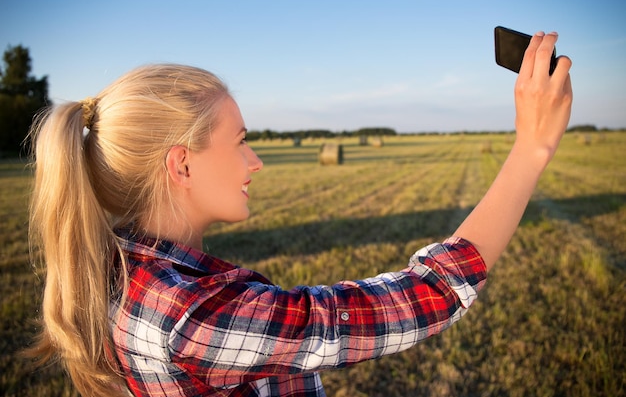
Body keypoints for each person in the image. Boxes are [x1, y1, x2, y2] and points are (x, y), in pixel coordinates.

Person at [27, 31, 572, 397]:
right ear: (182, 166)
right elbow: (420, 300)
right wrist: (531, 150)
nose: (256, 160)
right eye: (240, 141)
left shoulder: (120, 266)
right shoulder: (192, 314)